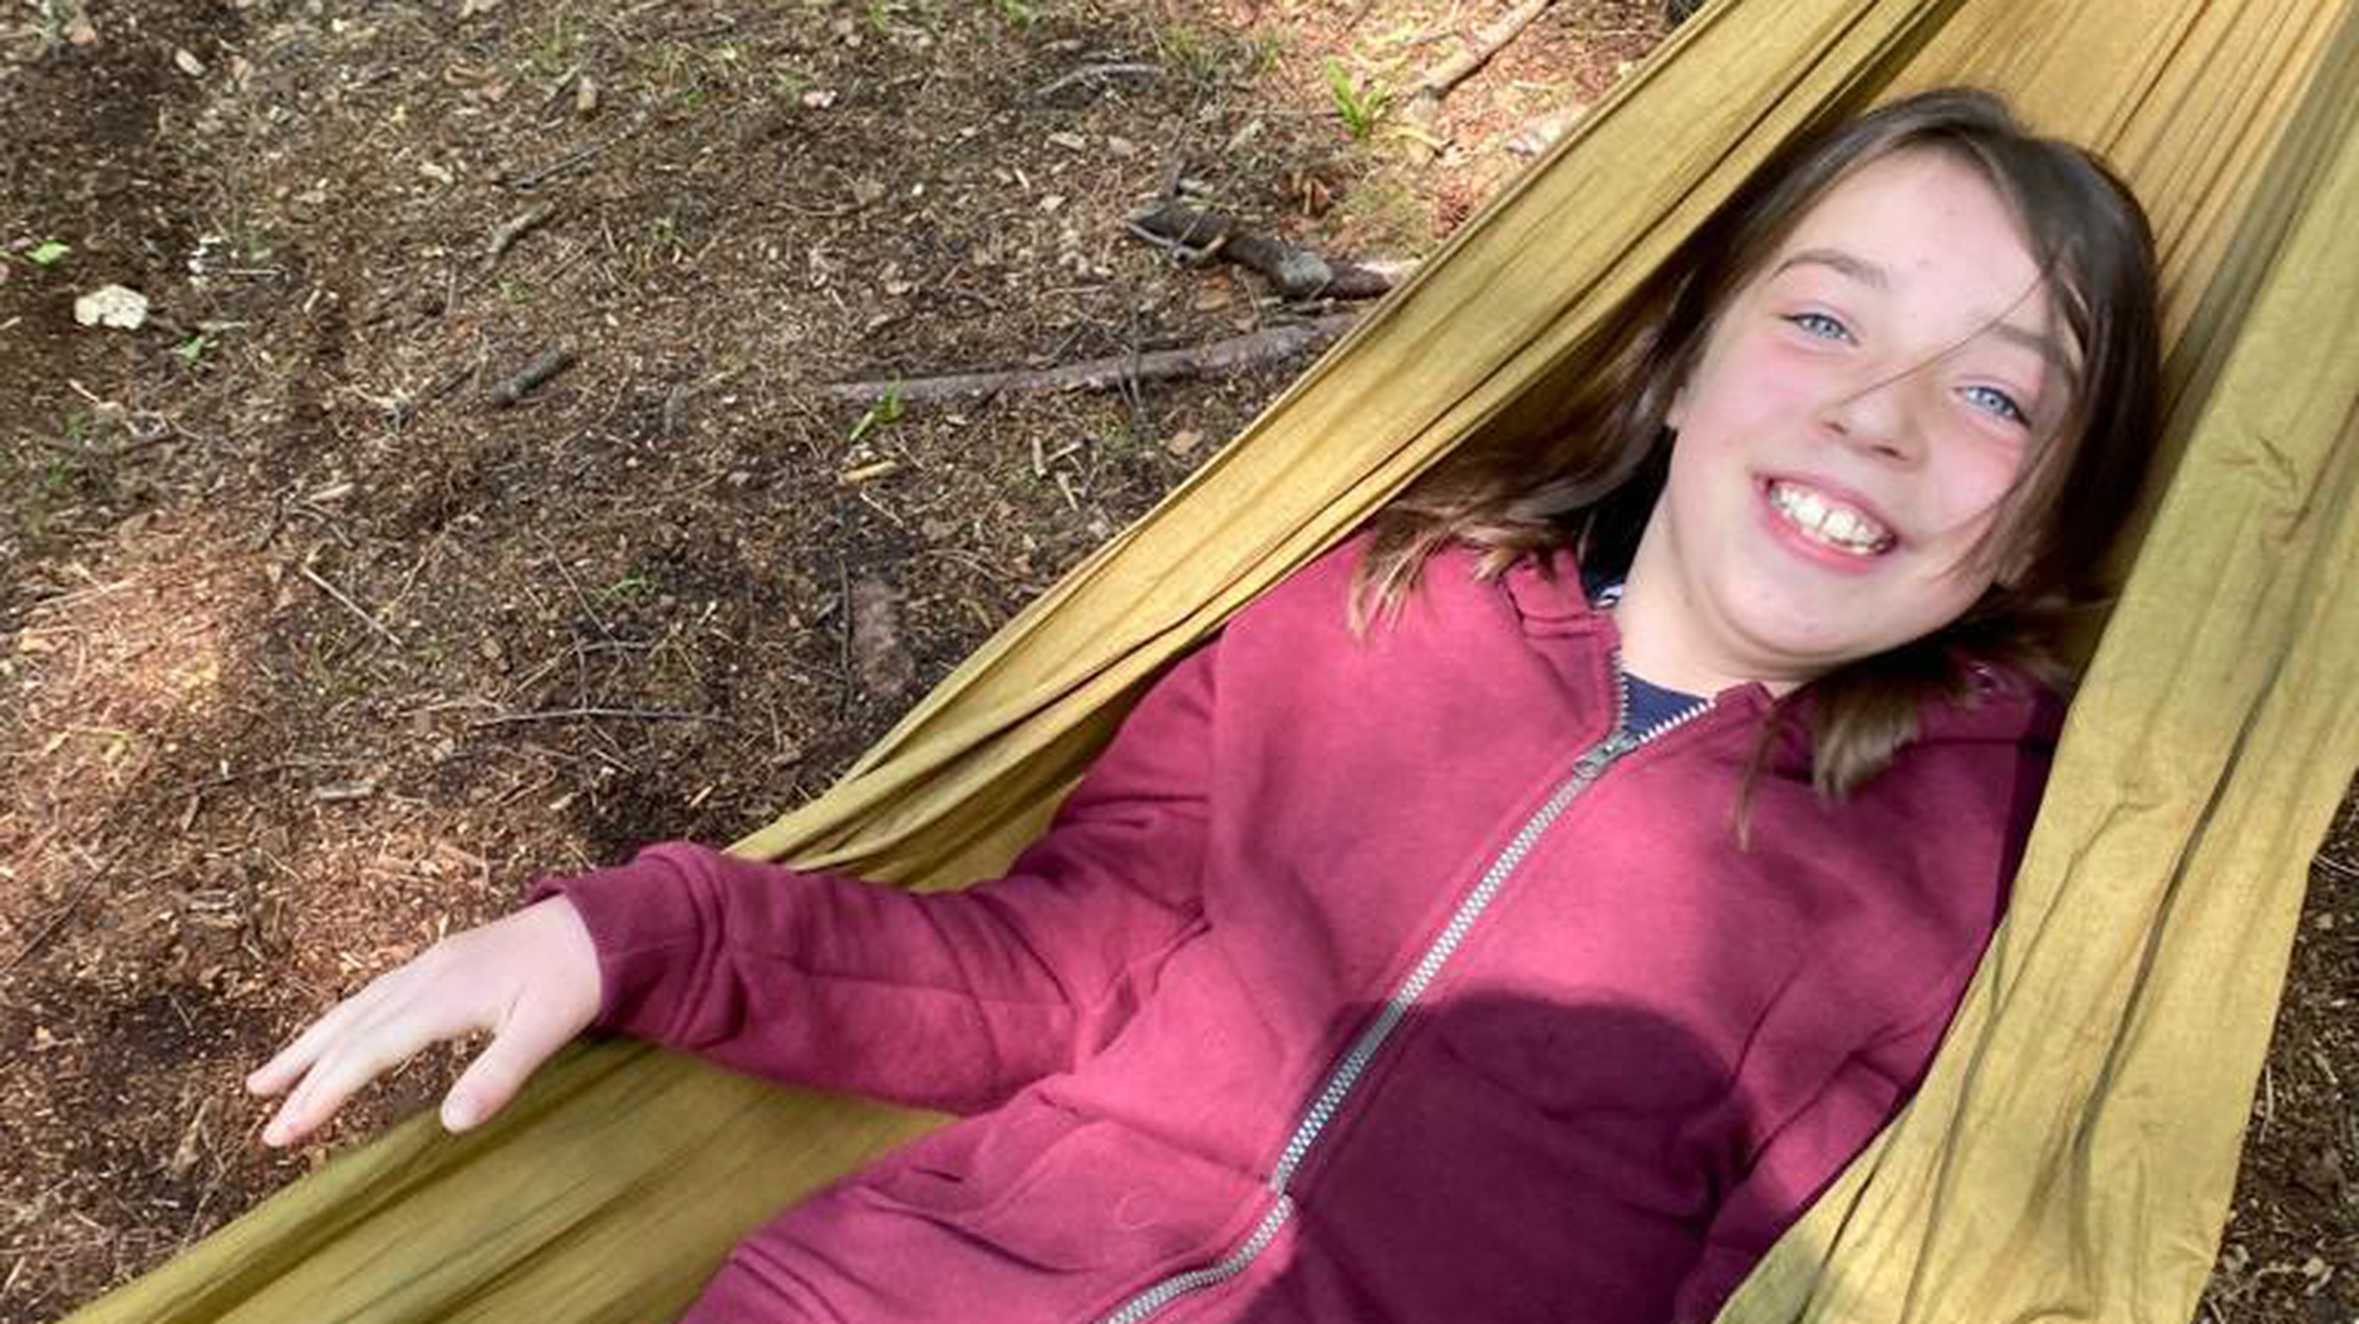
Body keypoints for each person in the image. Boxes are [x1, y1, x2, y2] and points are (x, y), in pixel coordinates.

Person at [244, 87, 2160, 1323]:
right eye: (1823, 320)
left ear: (2041, 526)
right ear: (1680, 366)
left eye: (1999, 395)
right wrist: (636, 930)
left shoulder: (1980, 869)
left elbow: (1789, 1276)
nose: (1878, 416)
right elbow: (1055, 970)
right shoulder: (1371, 608)